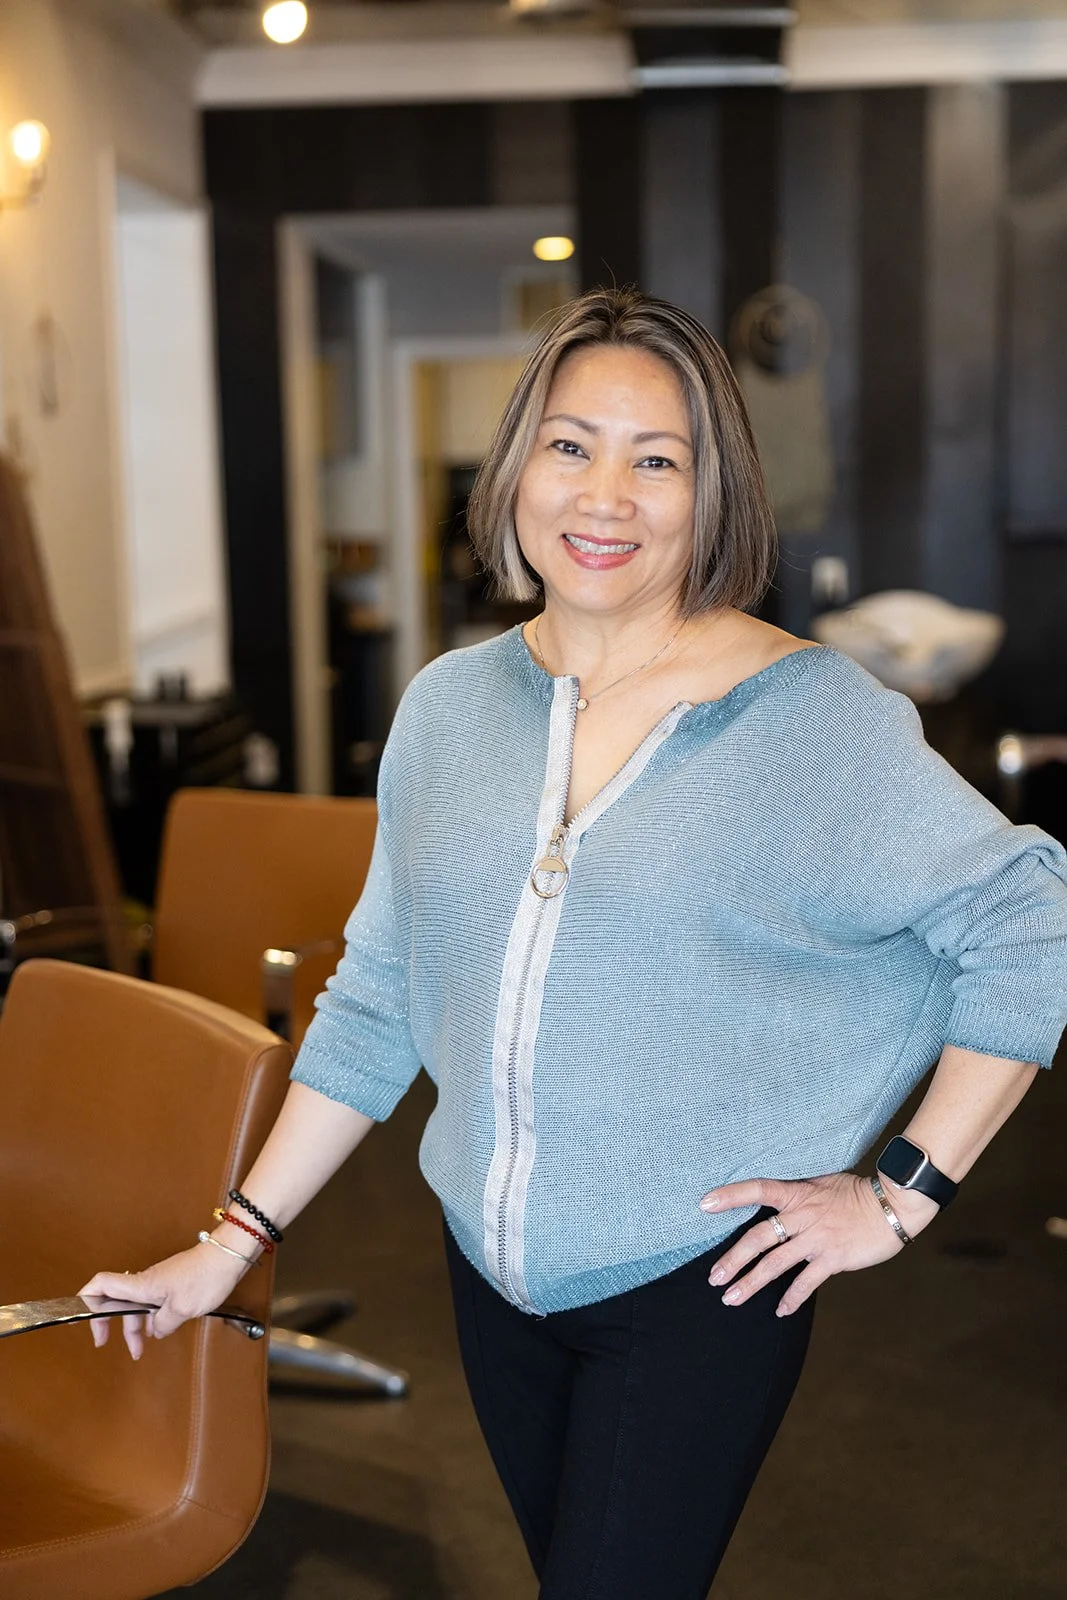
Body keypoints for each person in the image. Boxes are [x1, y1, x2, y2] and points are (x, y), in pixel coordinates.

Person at [82, 287, 1067, 1600]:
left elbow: (1031, 921)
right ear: (515, 471)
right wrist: (228, 1243)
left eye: (654, 459)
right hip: (489, 1281)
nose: (605, 493)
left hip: (695, 1289)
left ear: (708, 495)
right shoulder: (447, 708)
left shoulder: (808, 718)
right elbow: (378, 996)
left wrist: (899, 1198)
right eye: (569, 444)